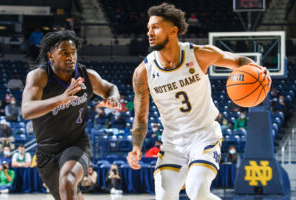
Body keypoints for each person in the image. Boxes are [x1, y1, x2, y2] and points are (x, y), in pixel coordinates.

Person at [126, 3, 271, 200]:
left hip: (204, 136)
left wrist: (257, 68)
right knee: (164, 197)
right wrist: (136, 147)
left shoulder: (199, 54)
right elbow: (140, 118)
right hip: (172, 143)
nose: (149, 32)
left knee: (198, 192)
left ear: (173, 31)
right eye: (148, 28)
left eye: (156, 27)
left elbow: (237, 61)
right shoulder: (143, 72)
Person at [21, 30, 121, 200]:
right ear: (51, 56)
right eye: (64, 53)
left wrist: (112, 98)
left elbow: (110, 88)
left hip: (76, 144)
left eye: (73, 52)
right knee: (71, 195)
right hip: (46, 152)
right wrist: (60, 99)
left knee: (68, 181)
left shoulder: (86, 76)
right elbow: (26, 110)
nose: (71, 57)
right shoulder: (39, 76)